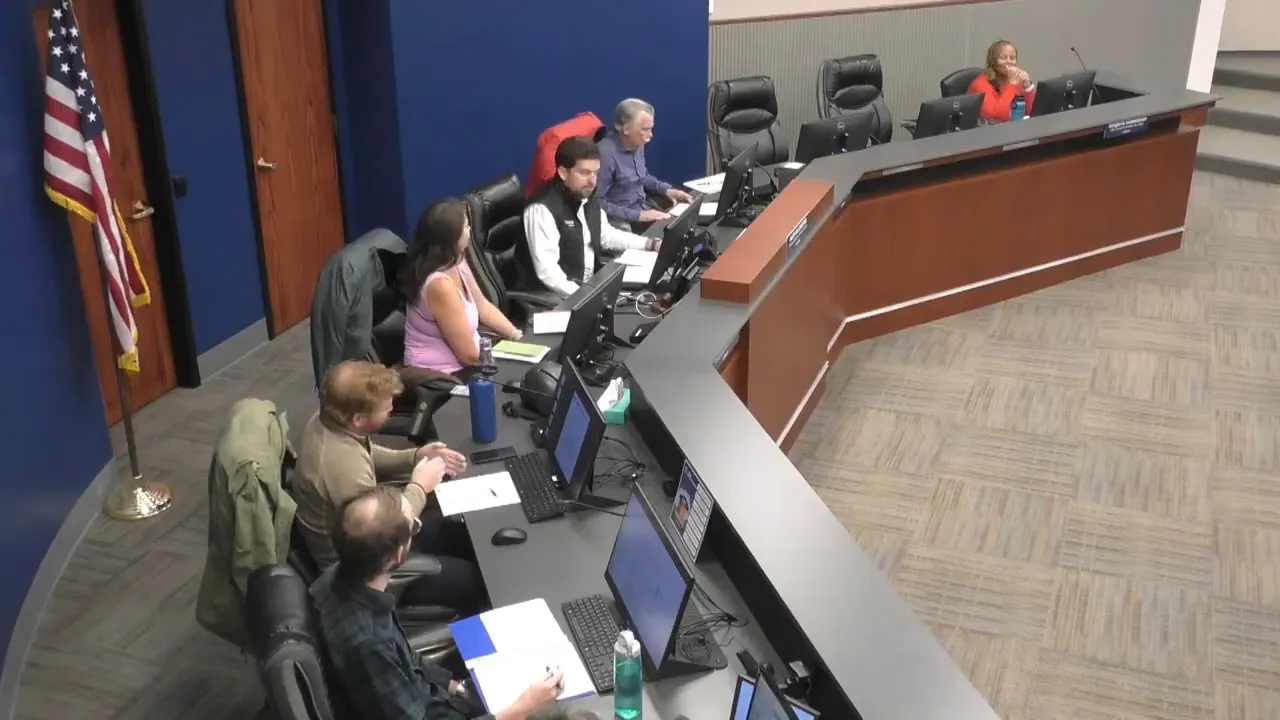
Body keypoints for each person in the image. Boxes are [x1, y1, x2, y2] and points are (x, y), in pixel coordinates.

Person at [313, 486, 564, 720]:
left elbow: (408, 661)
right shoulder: (369, 644)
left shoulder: (338, 579)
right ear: (399, 554)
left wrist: (458, 689)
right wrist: (521, 709)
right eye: (413, 528)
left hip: (436, 699)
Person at [293, 360, 482, 612]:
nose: (392, 410)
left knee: (464, 534)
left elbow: (367, 455)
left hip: (376, 540)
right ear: (359, 418)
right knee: (475, 582)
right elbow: (382, 531)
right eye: (386, 409)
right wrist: (419, 487)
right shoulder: (340, 468)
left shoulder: (328, 421)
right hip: (363, 574)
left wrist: (416, 456)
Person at [524, 136, 660, 297]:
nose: (592, 180)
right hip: (559, 297)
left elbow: (606, 235)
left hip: (590, 285)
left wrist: (649, 244)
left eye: (595, 172)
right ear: (563, 172)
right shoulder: (541, 209)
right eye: (584, 173)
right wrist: (587, 297)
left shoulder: (586, 195)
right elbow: (548, 273)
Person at [404, 199, 524, 375]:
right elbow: (468, 356)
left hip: (472, 362)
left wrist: (516, 336)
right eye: (467, 226)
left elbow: (481, 305)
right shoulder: (439, 286)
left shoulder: (457, 260)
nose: (470, 230)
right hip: (444, 376)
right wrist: (508, 361)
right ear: (452, 238)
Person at [596, 98, 691, 229]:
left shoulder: (637, 143)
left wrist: (666, 190)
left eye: (651, 128)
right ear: (626, 128)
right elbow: (595, 202)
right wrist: (639, 216)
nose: (650, 135)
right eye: (645, 129)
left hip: (643, 206)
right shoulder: (604, 155)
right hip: (622, 221)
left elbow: (642, 176)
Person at [968, 40, 1037, 123]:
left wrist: (1027, 86)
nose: (1008, 61)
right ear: (993, 61)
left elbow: (1032, 112)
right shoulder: (979, 85)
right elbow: (999, 117)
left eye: (1012, 58)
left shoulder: (1016, 81)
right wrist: (1011, 85)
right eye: (1003, 58)